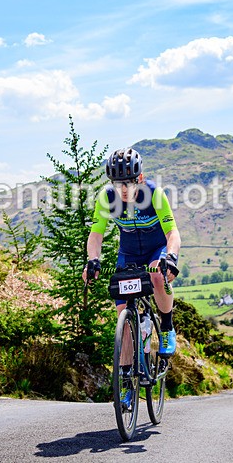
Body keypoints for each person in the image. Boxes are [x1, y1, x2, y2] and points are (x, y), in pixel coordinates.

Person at [83, 147, 181, 358]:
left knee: (156, 275)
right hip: (128, 254)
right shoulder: (107, 198)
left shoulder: (154, 194)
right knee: (123, 320)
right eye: (117, 184)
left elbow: (172, 233)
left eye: (128, 182)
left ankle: (166, 327)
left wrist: (170, 258)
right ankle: (126, 379)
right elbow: (96, 235)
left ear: (140, 178)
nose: (123, 189)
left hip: (157, 250)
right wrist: (92, 260)